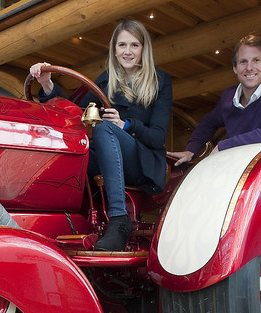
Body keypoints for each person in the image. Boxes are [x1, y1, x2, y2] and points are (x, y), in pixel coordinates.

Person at [30, 19, 172, 251]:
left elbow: (157, 138)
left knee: (105, 127)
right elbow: (73, 112)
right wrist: (47, 85)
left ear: (144, 49)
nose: (128, 51)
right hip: (110, 161)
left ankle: (119, 219)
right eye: (122, 45)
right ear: (114, 50)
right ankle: (59, 215)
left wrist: (125, 125)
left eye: (134, 45)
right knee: (76, 146)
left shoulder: (160, 82)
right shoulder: (106, 81)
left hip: (143, 163)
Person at [169, 34, 261, 165]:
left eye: (256, 60)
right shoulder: (229, 96)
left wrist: (224, 146)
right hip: (238, 171)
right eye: (243, 62)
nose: (249, 67)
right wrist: (191, 150)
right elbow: (208, 122)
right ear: (235, 68)